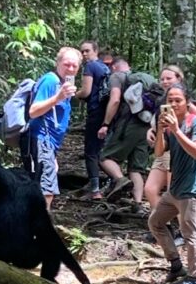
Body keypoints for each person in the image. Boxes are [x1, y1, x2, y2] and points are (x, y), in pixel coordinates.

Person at [147, 82, 196, 284]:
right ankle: (176, 265)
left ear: (187, 102)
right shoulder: (170, 124)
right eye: (170, 100)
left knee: (191, 233)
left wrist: (176, 130)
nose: (173, 104)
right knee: (155, 222)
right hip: (174, 188)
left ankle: (194, 279)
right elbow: (159, 153)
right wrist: (161, 129)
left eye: (178, 100)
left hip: (190, 187)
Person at [24, 47, 81, 210]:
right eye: (66, 64)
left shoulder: (64, 85)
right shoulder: (50, 81)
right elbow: (33, 111)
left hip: (49, 143)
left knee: (44, 180)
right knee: (47, 187)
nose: (70, 69)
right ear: (58, 64)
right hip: (41, 138)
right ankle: (42, 226)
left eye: (74, 66)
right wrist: (58, 97)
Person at [97, 58, 152, 214]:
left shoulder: (117, 76)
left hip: (129, 124)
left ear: (115, 67)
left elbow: (114, 99)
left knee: (105, 158)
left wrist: (105, 124)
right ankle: (138, 204)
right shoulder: (144, 79)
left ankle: (121, 180)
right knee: (136, 168)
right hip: (147, 126)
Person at [76, 40, 110, 200]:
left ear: (95, 51)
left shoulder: (90, 67)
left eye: (87, 51)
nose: (84, 54)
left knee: (91, 151)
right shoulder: (105, 67)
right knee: (101, 149)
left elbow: (86, 91)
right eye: (82, 51)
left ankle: (95, 189)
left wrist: (73, 94)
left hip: (96, 112)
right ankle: (109, 183)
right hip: (106, 115)